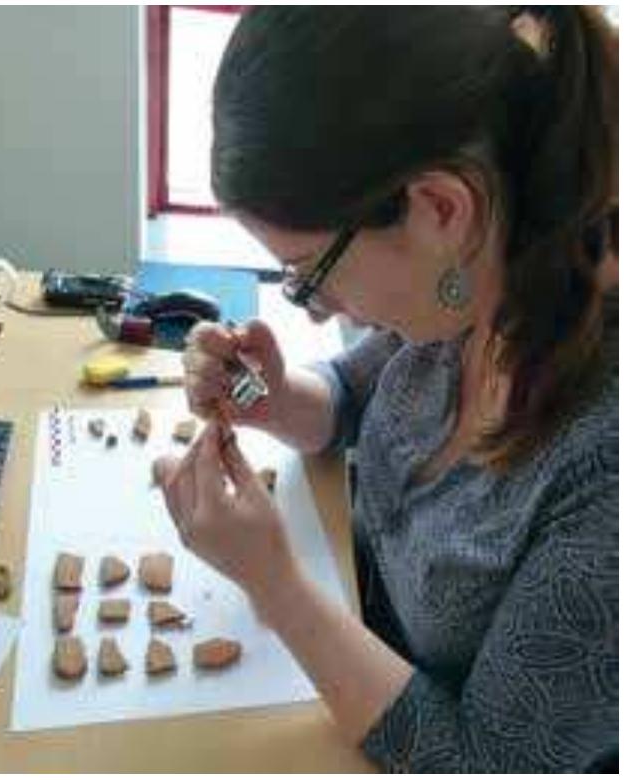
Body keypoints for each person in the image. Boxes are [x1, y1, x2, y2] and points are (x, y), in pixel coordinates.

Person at [153, 7, 618, 772]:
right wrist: (273, 398)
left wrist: (276, 587)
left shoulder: (605, 473)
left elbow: (482, 763)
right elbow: (356, 396)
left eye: (309, 272)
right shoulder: (482, 273)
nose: (315, 305)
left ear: (438, 207)